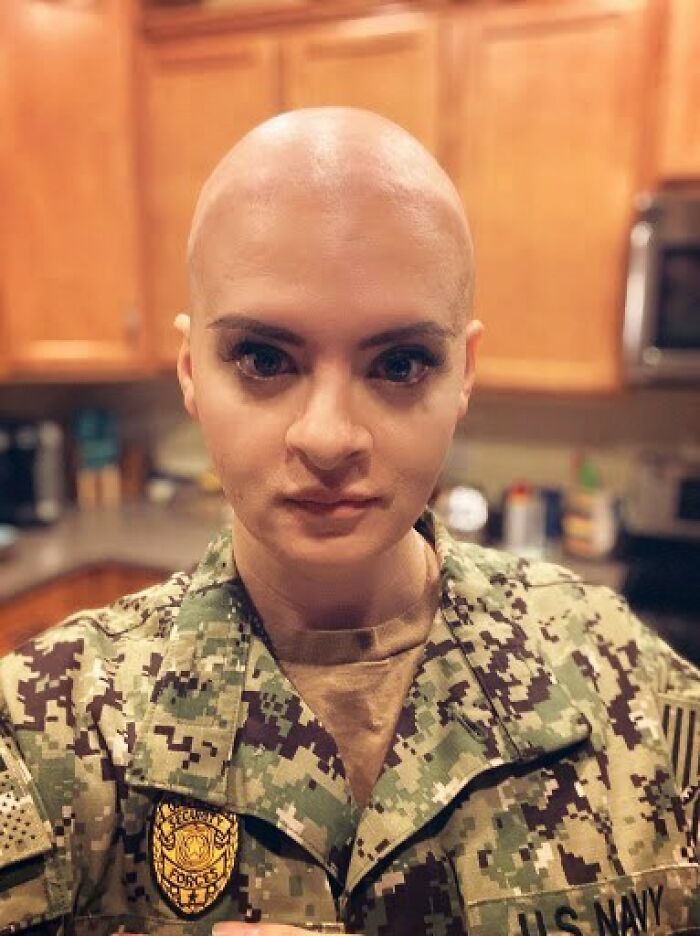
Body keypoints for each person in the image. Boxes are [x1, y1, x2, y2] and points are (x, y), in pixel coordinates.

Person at [0, 107, 698, 936]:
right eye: (264, 358)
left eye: (399, 363)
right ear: (192, 372)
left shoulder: (622, 681)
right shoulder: (49, 728)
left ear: (463, 373)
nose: (328, 437)